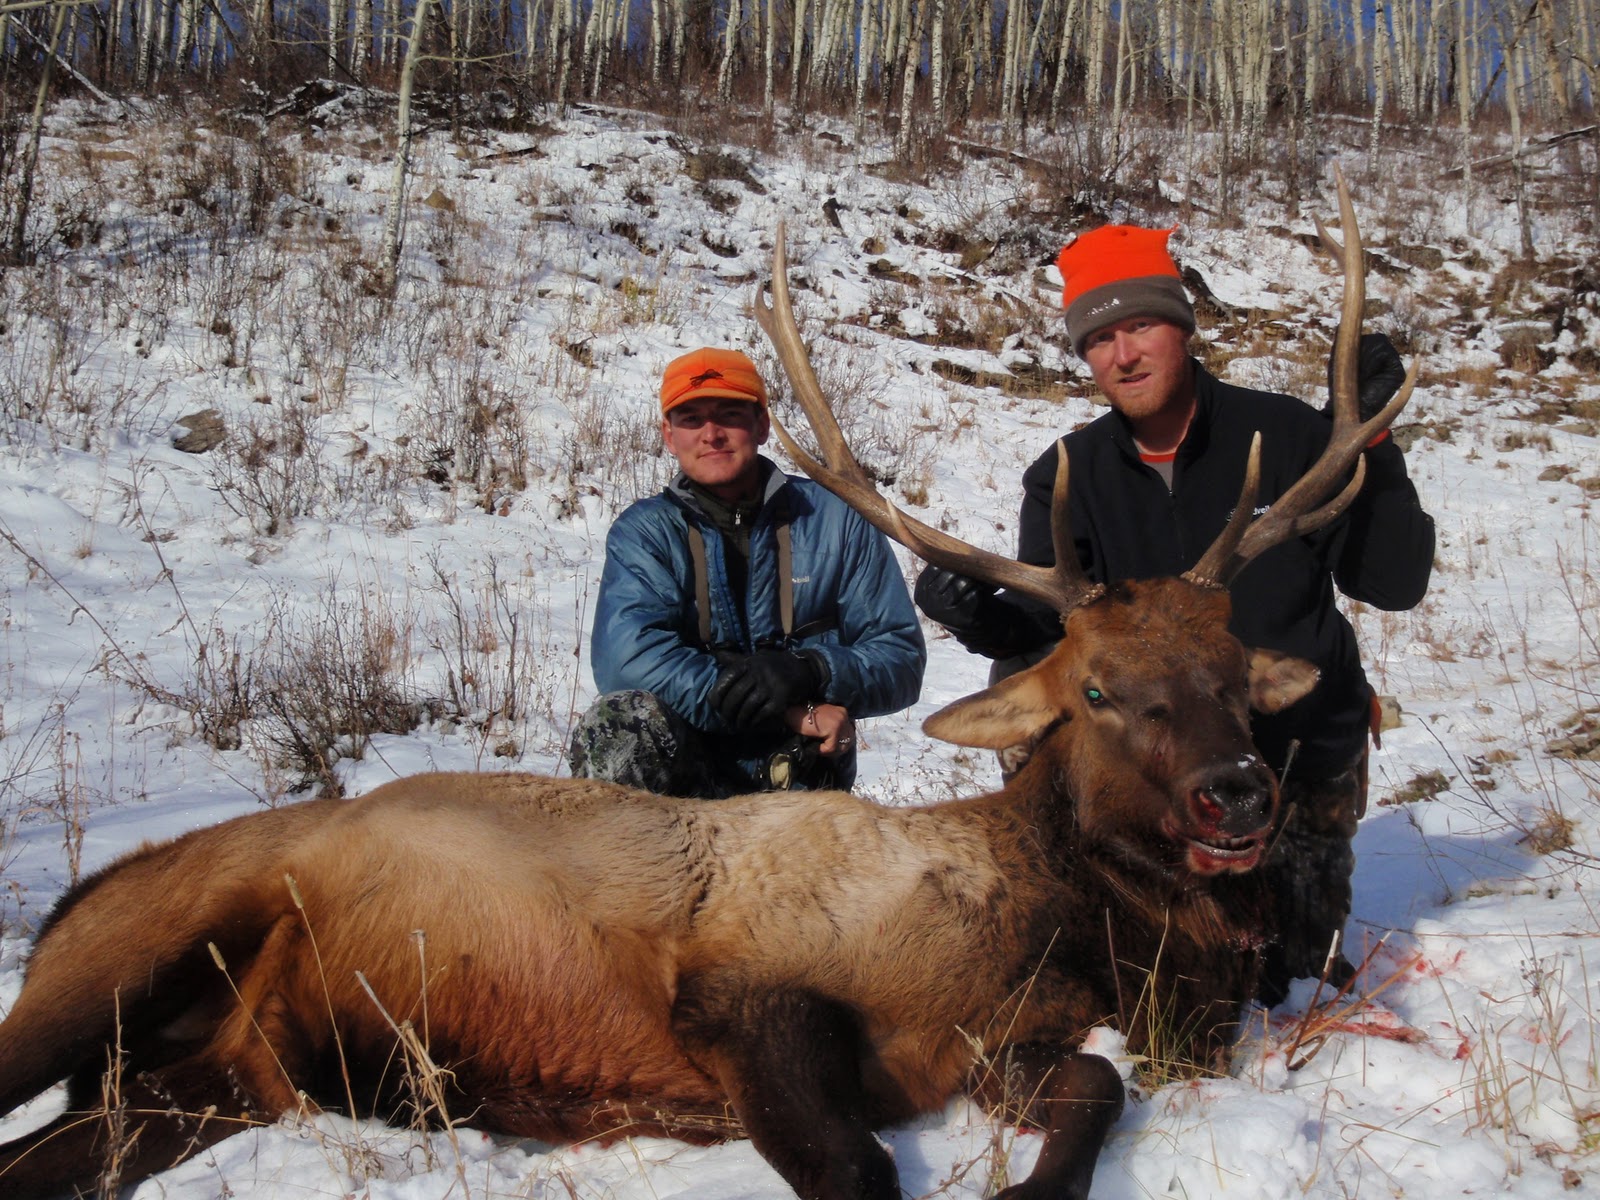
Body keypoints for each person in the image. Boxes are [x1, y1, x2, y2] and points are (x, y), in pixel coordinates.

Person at [914, 225, 1435, 1002]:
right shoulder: (1068, 475)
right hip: (1157, 775)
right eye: (1098, 340)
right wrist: (982, 619)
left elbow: (1394, 582)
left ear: (1183, 328)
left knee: (1285, 977)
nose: (1122, 356)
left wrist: (1372, 443)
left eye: (1140, 326)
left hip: (1294, 754)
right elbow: (1050, 642)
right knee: (1136, 976)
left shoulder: (1290, 436)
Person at [568, 346, 926, 799]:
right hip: (683, 779)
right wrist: (786, 708)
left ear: (761, 425)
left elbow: (900, 657)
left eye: (729, 414)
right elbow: (627, 662)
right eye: (691, 418)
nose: (711, 433)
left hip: (798, 777)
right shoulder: (645, 534)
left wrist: (812, 669)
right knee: (619, 721)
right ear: (668, 434)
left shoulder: (837, 519)